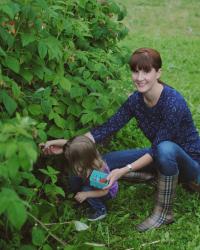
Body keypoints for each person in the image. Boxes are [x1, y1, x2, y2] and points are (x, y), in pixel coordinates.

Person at [40, 48, 200, 232]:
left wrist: (124, 170)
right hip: (159, 157)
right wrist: (66, 144)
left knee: (165, 148)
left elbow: (157, 149)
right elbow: (106, 129)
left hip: (191, 163)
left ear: (158, 72)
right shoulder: (136, 101)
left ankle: (164, 213)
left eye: (146, 71)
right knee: (104, 163)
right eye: (135, 71)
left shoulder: (173, 102)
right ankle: (95, 196)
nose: (140, 77)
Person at [62, 135, 118, 221]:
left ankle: (101, 210)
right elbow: (69, 145)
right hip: (95, 184)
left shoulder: (97, 174)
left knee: (85, 190)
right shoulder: (87, 157)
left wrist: (86, 194)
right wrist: (52, 143)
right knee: (73, 175)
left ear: (83, 160)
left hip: (107, 191)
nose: (68, 159)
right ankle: (78, 194)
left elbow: (104, 191)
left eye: (72, 159)